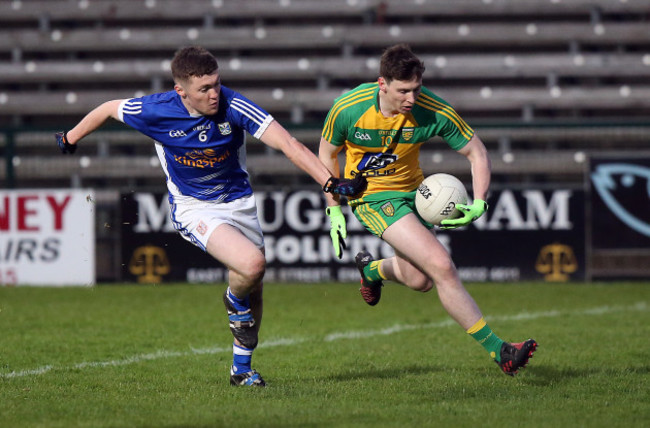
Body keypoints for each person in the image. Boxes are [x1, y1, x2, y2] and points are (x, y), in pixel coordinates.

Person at [55, 46, 366, 387]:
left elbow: (288, 143)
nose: (214, 94)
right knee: (251, 266)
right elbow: (108, 109)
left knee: (255, 287)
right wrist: (70, 138)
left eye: (216, 84)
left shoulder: (233, 104)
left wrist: (330, 183)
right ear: (181, 91)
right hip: (194, 207)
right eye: (204, 89)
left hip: (240, 204)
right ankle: (233, 300)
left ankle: (241, 369)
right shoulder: (156, 109)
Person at [319, 44, 537, 376]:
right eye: (403, 90)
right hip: (373, 198)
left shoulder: (432, 110)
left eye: (416, 89)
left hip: (416, 194)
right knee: (441, 265)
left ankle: (373, 271)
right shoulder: (349, 109)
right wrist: (333, 209)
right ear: (383, 84)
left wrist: (479, 201)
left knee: (420, 280)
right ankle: (501, 351)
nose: (411, 98)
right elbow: (326, 154)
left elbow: (476, 152)